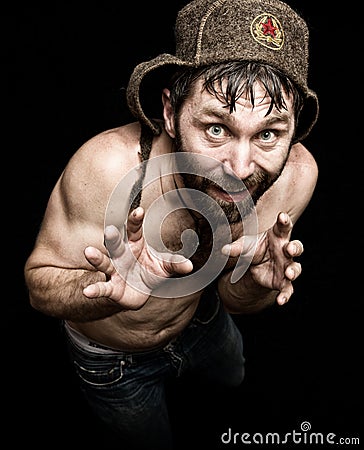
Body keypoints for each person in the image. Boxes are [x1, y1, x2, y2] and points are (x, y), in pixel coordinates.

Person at [24, 0, 319, 448]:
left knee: (234, 382)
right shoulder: (107, 169)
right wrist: (105, 294)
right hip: (115, 363)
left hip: (204, 325)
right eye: (216, 129)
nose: (240, 167)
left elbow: (235, 300)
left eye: (268, 134)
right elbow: (38, 285)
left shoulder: (294, 176)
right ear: (170, 111)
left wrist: (256, 285)